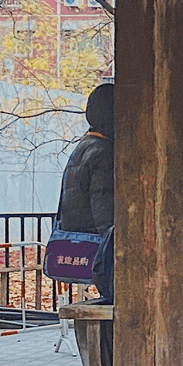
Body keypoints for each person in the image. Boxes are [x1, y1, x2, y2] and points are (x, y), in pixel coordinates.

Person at [56, 81, 116, 301]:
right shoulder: (104, 153)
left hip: (79, 246)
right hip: (99, 254)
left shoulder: (84, 146)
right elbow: (105, 212)